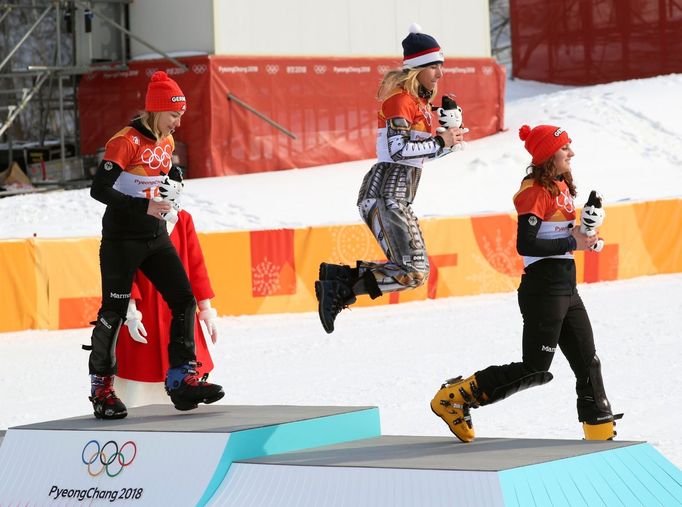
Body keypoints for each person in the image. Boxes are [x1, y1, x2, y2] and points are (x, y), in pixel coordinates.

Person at [430, 124, 620, 442]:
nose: (571, 152)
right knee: (535, 369)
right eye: (564, 148)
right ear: (548, 155)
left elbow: (561, 236)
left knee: (589, 363)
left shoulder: (560, 186)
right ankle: (455, 397)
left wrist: (586, 237)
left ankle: (600, 435)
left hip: (564, 288)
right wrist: (573, 244)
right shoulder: (534, 190)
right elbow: (527, 244)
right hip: (543, 289)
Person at [86, 70, 223, 419]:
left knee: (183, 299)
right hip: (122, 241)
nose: (179, 122)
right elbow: (98, 190)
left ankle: (181, 378)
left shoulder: (167, 142)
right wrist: (142, 205)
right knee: (113, 314)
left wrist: (174, 183)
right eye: (174, 114)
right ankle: (102, 388)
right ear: (157, 110)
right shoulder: (125, 141)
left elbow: (165, 174)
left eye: (181, 114)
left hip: (155, 237)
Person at [315, 24, 466, 333]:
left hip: (397, 197)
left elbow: (417, 154)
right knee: (414, 271)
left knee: (415, 271)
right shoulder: (400, 101)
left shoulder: (421, 106)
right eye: (434, 66)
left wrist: (449, 144)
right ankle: (340, 288)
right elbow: (398, 150)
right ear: (417, 68)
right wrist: (440, 142)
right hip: (386, 195)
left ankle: (339, 279)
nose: (440, 73)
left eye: (441, 65)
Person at [114, 208, 220, 407]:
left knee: (187, 372)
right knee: (140, 381)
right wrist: (131, 312)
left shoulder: (183, 218)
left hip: (181, 311)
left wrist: (206, 308)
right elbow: (122, 268)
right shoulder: (126, 219)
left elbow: (196, 265)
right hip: (145, 313)